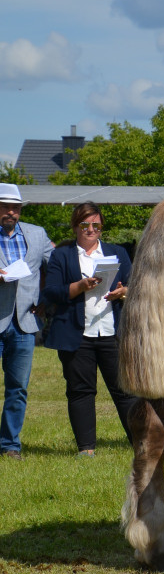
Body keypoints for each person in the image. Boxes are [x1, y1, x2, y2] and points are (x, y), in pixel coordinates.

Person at [41, 202, 137, 457]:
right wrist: (80, 286)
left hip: (111, 332)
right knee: (81, 391)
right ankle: (86, 449)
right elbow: (50, 292)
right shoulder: (61, 255)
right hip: (76, 334)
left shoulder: (117, 252)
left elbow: (134, 286)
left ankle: (141, 443)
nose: (91, 229)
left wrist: (123, 292)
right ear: (75, 227)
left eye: (96, 225)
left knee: (125, 390)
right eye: (85, 225)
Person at [0, 184, 53, 461]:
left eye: (16, 207)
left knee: (18, 388)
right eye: (6, 206)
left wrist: (47, 298)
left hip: (24, 323)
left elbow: (56, 267)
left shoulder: (37, 234)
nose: (11, 212)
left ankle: (10, 445)